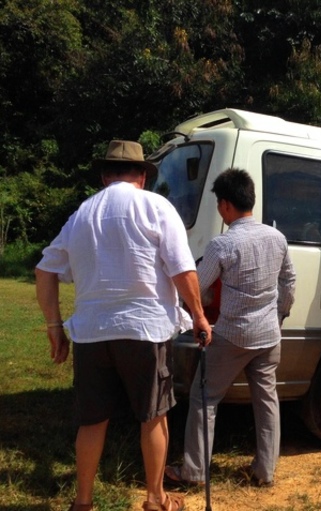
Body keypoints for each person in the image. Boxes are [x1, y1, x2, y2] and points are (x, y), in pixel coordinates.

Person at [35, 140, 212, 511]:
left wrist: (55, 326)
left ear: (104, 176)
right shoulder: (156, 206)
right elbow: (182, 268)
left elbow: (44, 269)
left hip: (92, 333)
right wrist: (198, 315)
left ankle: (82, 502)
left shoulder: (82, 213)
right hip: (144, 330)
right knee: (153, 416)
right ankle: (155, 498)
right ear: (143, 176)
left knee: (92, 419)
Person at [165, 168, 296, 488]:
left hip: (232, 336)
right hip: (269, 336)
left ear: (225, 205)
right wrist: (280, 314)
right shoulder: (277, 238)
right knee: (267, 401)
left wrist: (192, 309)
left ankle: (194, 472)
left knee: (204, 398)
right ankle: (265, 472)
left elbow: (197, 286)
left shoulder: (222, 245)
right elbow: (289, 281)